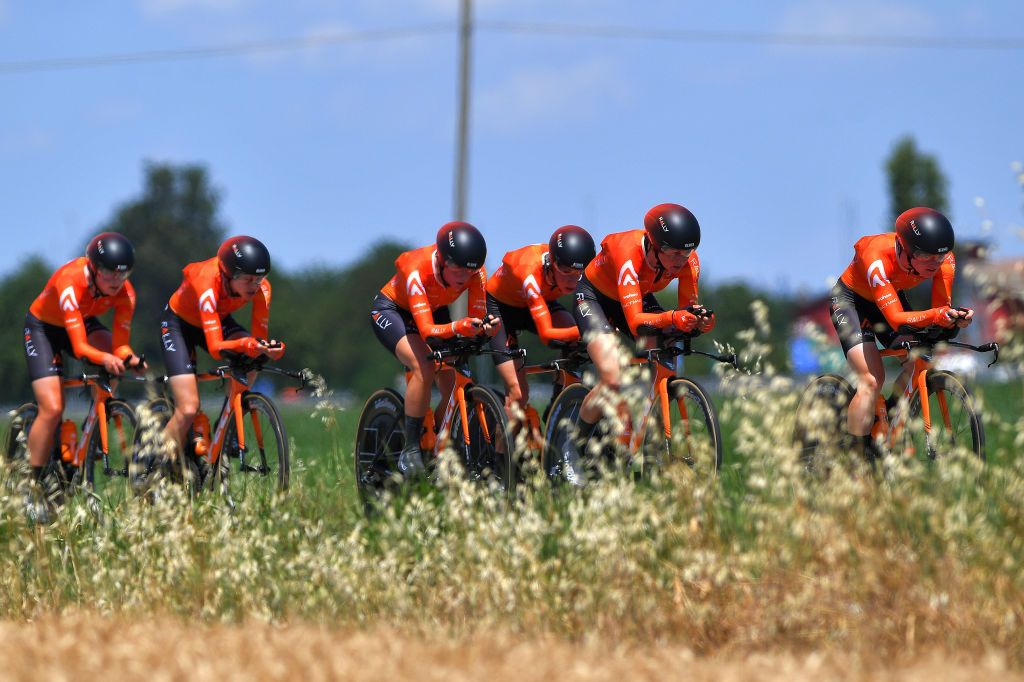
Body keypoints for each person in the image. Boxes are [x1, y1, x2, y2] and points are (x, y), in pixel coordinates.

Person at [567, 203, 715, 483]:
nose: (680, 260)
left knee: (667, 345)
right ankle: (575, 449)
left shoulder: (689, 262)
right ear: (653, 244)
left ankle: (638, 438)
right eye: (673, 253)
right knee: (612, 377)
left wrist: (698, 322)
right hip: (596, 299)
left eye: (687, 252)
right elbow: (636, 321)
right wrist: (673, 317)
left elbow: (686, 312)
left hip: (636, 295)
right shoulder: (628, 254)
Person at [830, 207, 971, 455]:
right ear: (905, 249)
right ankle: (857, 459)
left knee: (919, 357)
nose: (934, 264)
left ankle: (892, 414)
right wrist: (938, 315)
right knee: (872, 380)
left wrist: (953, 320)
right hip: (852, 302)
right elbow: (895, 318)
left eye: (939, 257)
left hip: (889, 296)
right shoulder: (876, 256)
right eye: (926, 257)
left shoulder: (944, 260)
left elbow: (940, 310)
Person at [24, 232, 145, 518]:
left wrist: (130, 358)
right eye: (108, 273)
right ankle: (31, 488)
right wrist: (108, 358)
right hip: (45, 329)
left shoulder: (126, 293)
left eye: (123, 273)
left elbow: (120, 344)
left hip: (83, 321)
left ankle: (96, 415)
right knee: (53, 408)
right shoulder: (70, 281)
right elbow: (79, 346)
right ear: (93, 268)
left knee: (114, 359)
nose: (116, 281)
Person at [369, 221, 499, 476]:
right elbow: (427, 331)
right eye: (457, 269)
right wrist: (460, 326)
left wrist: (485, 328)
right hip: (393, 311)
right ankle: (410, 449)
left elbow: (476, 316)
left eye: (469, 272)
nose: (463, 276)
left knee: (453, 382)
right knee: (424, 366)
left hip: (435, 310)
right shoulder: (416, 269)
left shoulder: (476, 272)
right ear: (441, 259)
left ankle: (435, 439)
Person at [160, 236, 284, 457]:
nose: (255, 286)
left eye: (259, 278)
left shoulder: (262, 289)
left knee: (253, 360)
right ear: (227, 275)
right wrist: (248, 343)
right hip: (178, 324)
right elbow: (216, 347)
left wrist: (267, 349)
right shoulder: (206, 281)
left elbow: (257, 342)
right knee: (188, 409)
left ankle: (226, 427)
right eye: (248, 279)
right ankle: (148, 462)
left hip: (218, 318)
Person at [485, 225, 596, 427]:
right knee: (518, 394)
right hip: (502, 309)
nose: (572, 279)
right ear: (552, 264)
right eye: (565, 271)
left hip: (540, 301)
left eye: (579, 273)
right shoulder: (530, 272)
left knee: (573, 332)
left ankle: (559, 398)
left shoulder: (565, 269)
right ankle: (503, 457)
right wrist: (588, 330)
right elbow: (547, 336)